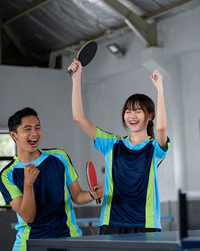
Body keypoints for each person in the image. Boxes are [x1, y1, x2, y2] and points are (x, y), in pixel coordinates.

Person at [68, 59, 170, 235]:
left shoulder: (155, 148)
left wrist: (160, 89)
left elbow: (161, 128)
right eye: (128, 111)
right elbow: (79, 118)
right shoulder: (111, 144)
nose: (132, 115)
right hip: (111, 222)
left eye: (138, 111)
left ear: (150, 115)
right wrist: (76, 79)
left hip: (146, 224)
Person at [0, 107, 103, 251]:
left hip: (68, 238)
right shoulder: (7, 175)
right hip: (30, 243)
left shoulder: (59, 157)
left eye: (37, 128)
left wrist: (92, 194)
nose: (34, 133)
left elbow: (77, 196)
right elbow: (28, 217)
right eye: (27, 129)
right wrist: (28, 184)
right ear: (14, 135)